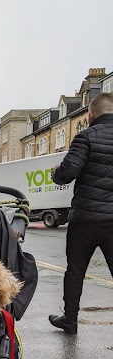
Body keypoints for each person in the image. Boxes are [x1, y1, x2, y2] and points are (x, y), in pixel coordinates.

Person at [49, 92, 113, 334]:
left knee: (75, 271)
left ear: (91, 114)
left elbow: (67, 174)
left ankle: (70, 320)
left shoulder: (85, 138)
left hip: (85, 219)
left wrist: (56, 171)